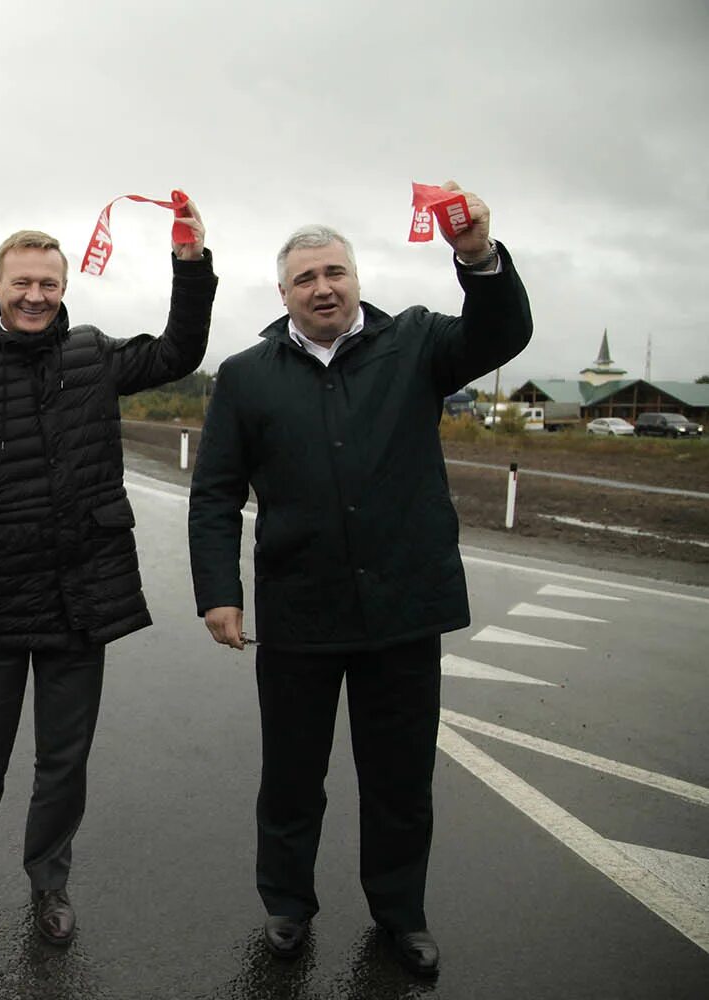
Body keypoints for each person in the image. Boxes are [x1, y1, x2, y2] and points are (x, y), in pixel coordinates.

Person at [188, 182, 532, 978]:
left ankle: (400, 914)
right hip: (299, 610)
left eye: (334, 272)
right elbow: (215, 491)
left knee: (400, 780)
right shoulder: (246, 374)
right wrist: (218, 591)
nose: (323, 288)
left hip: (403, 608)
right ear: (283, 295)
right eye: (305, 278)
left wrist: (476, 256)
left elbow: (503, 331)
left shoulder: (417, 343)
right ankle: (287, 904)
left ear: (357, 277)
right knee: (291, 778)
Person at [0, 212, 216, 946]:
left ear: (65, 285)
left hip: (83, 594)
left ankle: (50, 884)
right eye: (23, 283)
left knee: (63, 758)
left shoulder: (93, 354)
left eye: (48, 283)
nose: (35, 296)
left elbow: (178, 351)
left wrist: (190, 263)